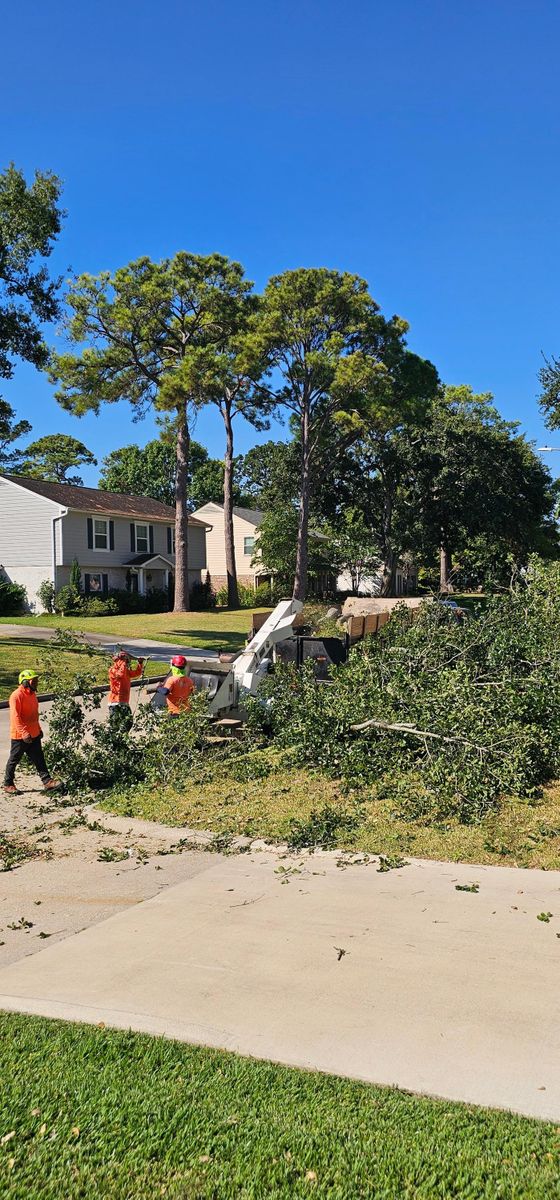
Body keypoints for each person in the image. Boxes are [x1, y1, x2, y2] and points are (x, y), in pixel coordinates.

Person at [4, 669, 61, 794]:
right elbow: (16, 717)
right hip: (20, 736)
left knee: (39, 759)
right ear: (25, 682)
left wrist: (38, 729)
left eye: (36, 680)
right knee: (14, 759)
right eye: (33, 681)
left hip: (33, 734)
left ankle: (47, 782)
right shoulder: (16, 696)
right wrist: (23, 732)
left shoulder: (32, 695)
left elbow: (34, 715)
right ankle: (8, 784)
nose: (36, 683)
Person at [107, 650, 145, 729]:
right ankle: (114, 739)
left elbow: (137, 673)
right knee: (115, 725)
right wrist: (122, 661)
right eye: (126, 660)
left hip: (124, 702)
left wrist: (140, 663)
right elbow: (120, 674)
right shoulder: (112, 670)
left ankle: (121, 739)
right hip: (115, 703)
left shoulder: (126, 671)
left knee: (128, 723)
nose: (127, 662)